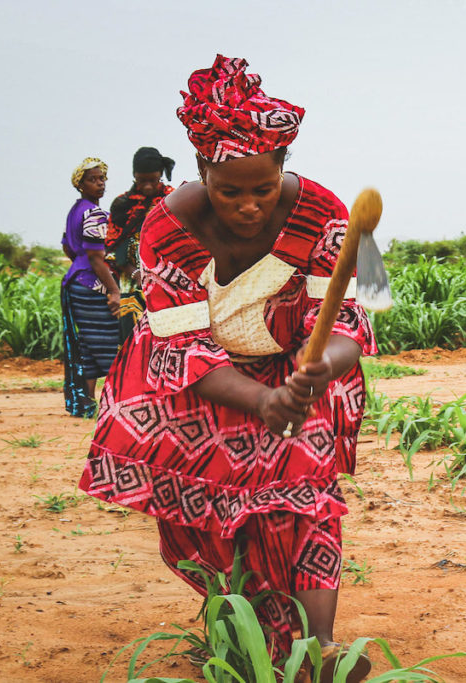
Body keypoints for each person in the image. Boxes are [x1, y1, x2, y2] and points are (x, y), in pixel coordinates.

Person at [78, 55, 375, 681]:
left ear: (283, 171)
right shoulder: (165, 225)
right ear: (202, 172)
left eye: (263, 190)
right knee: (208, 518)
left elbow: (352, 316)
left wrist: (323, 367)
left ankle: (319, 649)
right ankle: (248, 619)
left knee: (309, 498)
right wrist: (259, 402)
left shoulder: (325, 213)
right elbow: (182, 346)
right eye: (229, 190)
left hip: (295, 372)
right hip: (191, 385)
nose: (248, 206)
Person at [61, 158, 121, 417]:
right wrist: (114, 291)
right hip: (92, 285)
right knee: (108, 343)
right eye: (93, 179)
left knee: (85, 345)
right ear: (80, 184)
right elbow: (97, 258)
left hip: (74, 281)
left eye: (102, 179)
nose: (100, 183)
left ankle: (85, 404)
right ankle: (114, 407)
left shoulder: (76, 210)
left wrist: (81, 261)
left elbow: (66, 245)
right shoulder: (95, 214)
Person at [106, 146, 175, 342]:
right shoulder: (122, 205)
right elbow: (113, 246)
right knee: (133, 337)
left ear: (161, 175)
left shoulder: (171, 199)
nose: (147, 186)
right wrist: (136, 274)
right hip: (132, 281)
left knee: (165, 334)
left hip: (168, 280)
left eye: (152, 180)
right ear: (134, 176)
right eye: (141, 180)